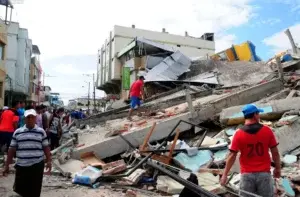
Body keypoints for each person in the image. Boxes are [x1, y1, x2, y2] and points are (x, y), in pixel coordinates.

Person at [220, 104, 281, 197]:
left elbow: (232, 156)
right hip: (264, 175)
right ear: (255, 115)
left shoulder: (238, 134)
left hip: (246, 176)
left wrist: (224, 175)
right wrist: (278, 169)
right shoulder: (267, 131)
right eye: (258, 113)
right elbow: (275, 153)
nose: (259, 116)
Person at [3, 108, 51, 197]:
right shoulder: (17, 132)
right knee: (20, 191)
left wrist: (49, 161)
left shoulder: (41, 132)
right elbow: (11, 149)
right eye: (28, 117)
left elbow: (46, 147)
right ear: (24, 119)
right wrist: (7, 166)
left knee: (35, 191)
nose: (30, 119)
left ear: (35, 118)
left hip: (36, 166)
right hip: (21, 166)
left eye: (32, 117)